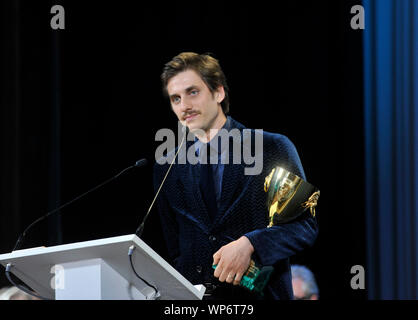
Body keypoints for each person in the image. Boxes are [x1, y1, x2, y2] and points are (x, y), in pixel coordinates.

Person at [154, 52, 318, 299]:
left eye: (193, 92)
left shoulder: (270, 148)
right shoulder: (168, 165)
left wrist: (251, 243)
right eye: (175, 98)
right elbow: (175, 250)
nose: (184, 106)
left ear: (218, 92)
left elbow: (303, 225)